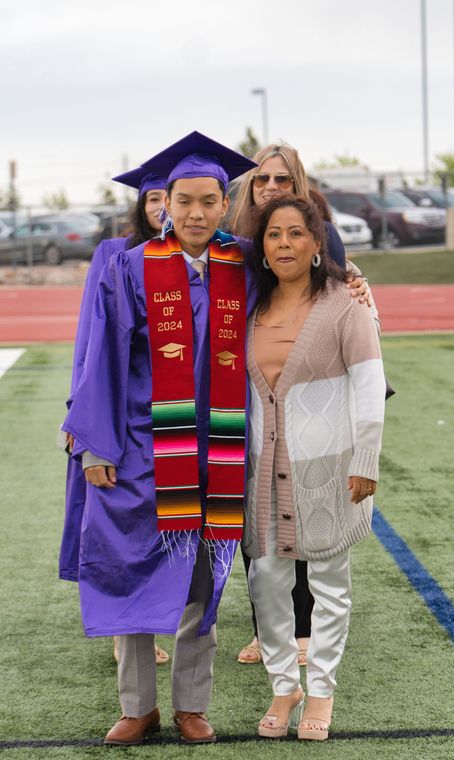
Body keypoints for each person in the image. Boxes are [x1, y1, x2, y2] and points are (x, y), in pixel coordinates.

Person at [62, 131, 257, 745]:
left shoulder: (245, 264)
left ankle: (191, 704)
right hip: (141, 448)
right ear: (163, 204)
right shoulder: (127, 265)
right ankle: (137, 706)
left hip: (216, 446)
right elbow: (101, 356)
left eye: (209, 200)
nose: (197, 213)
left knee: (203, 579)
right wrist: (95, 445)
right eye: (184, 201)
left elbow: (310, 272)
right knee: (130, 571)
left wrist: (354, 281)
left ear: (224, 204)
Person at [243, 195, 385, 741]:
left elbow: (370, 384)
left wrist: (366, 460)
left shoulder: (345, 306)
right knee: (266, 583)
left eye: (296, 234)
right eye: (274, 234)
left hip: (329, 470)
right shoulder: (254, 306)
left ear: (316, 244)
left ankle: (320, 691)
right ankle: (284, 684)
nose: (284, 244)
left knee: (329, 584)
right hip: (263, 472)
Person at [231, 143, 375, 666]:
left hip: (312, 396)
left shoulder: (321, 233)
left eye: (283, 179)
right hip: (251, 395)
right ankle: (265, 627)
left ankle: (306, 629)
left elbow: (345, 289)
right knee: (260, 522)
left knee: (307, 510)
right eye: (263, 179)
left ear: (299, 185)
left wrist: (362, 291)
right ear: (250, 186)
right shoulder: (234, 244)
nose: (272, 188)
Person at [59, 168, 170, 665]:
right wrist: (79, 416)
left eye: (178, 197)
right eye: (156, 199)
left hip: (178, 423)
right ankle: (126, 629)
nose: (167, 208)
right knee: (115, 525)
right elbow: (92, 342)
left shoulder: (219, 260)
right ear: (141, 206)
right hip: (121, 412)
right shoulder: (117, 258)